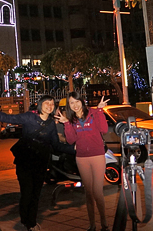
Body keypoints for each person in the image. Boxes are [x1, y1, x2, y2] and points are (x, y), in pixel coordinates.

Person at [0, 95, 73, 231]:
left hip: (41, 162)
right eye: (46, 103)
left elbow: (56, 145)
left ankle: (31, 222)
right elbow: (9, 118)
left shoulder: (51, 123)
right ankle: (26, 221)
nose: (49, 105)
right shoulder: (30, 117)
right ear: (40, 104)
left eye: (52, 104)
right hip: (25, 161)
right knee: (27, 192)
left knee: (36, 194)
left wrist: (74, 149)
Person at [56, 92, 109, 231]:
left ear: (82, 101)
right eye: (71, 103)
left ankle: (104, 222)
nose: (75, 105)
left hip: (97, 155)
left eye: (77, 101)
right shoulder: (71, 119)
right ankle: (92, 224)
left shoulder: (93, 112)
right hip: (81, 158)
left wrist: (100, 111)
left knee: (97, 192)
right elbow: (71, 140)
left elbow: (103, 129)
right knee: (88, 193)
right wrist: (66, 123)